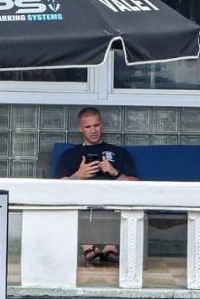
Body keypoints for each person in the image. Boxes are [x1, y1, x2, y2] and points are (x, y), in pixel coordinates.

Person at [54, 106, 139, 265]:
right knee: (70, 199)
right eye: (88, 127)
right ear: (80, 128)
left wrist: (115, 173)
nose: (93, 130)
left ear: (102, 125)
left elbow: (136, 186)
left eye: (96, 125)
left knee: (121, 196)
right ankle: (88, 246)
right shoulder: (70, 155)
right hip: (82, 201)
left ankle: (110, 246)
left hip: (112, 200)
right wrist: (77, 176)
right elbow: (56, 189)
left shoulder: (119, 153)